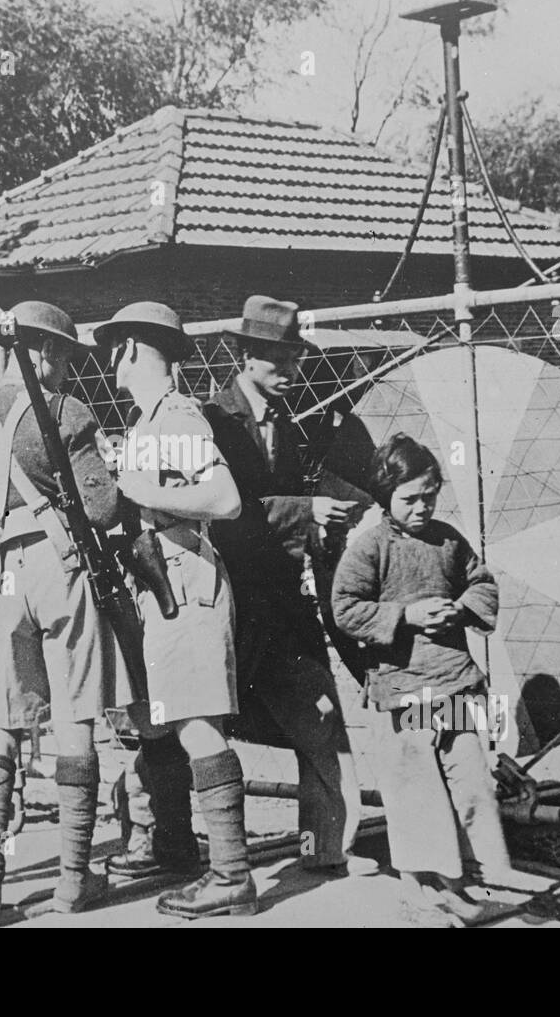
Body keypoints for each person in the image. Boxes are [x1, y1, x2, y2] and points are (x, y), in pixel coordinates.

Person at [0, 301, 119, 919]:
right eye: (64, 356)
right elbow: (103, 510)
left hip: (0, 573)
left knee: (1, 727)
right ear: (44, 353)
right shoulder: (67, 412)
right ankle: (73, 880)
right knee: (74, 718)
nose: (66, 368)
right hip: (60, 566)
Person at [96, 301, 258, 918]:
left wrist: (140, 489)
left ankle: (232, 876)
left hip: (184, 578)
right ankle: (191, 856)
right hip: (161, 579)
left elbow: (225, 496)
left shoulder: (178, 415)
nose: (111, 360)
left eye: (115, 347)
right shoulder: (149, 422)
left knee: (196, 724)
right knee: (167, 720)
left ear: (134, 350)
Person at [202, 295, 361, 874]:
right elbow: (226, 514)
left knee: (321, 723)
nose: (292, 372)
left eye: (295, 358)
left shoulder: (286, 424)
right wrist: (304, 511)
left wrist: (323, 529)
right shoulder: (213, 421)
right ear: (245, 356)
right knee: (188, 726)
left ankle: (322, 853)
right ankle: (157, 839)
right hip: (228, 605)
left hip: (282, 607)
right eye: (277, 360)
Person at [330, 433, 509, 924]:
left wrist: (464, 609)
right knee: (416, 791)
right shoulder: (370, 548)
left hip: (454, 679)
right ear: (386, 496)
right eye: (410, 499)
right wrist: (405, 615)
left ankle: (463, 880)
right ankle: (416, 888)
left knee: (470, 778)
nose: (422, 507)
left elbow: (481, 581)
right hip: (404, 688)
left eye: (430, 496)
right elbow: (345, 608)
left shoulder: (448, 540)